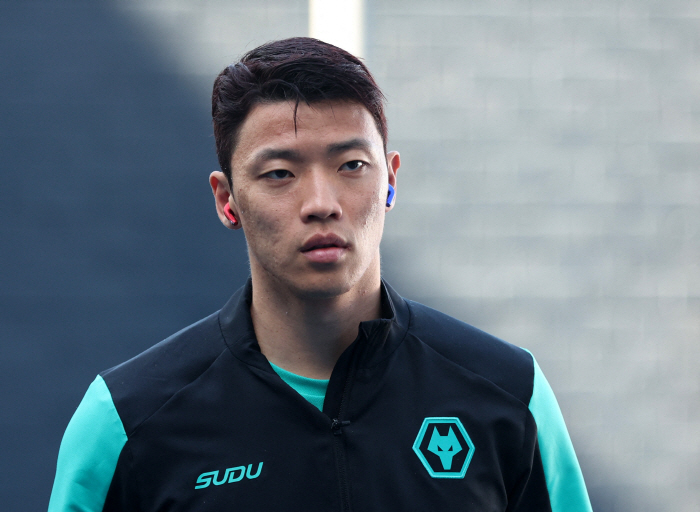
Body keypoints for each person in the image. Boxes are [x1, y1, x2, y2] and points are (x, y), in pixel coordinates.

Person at [49, 37, 592, 511]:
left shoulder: (508, 394)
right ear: (226, 200)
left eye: (351, 165)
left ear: (390, 180)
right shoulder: (127, 421)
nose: (321, 203)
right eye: (279, 173)